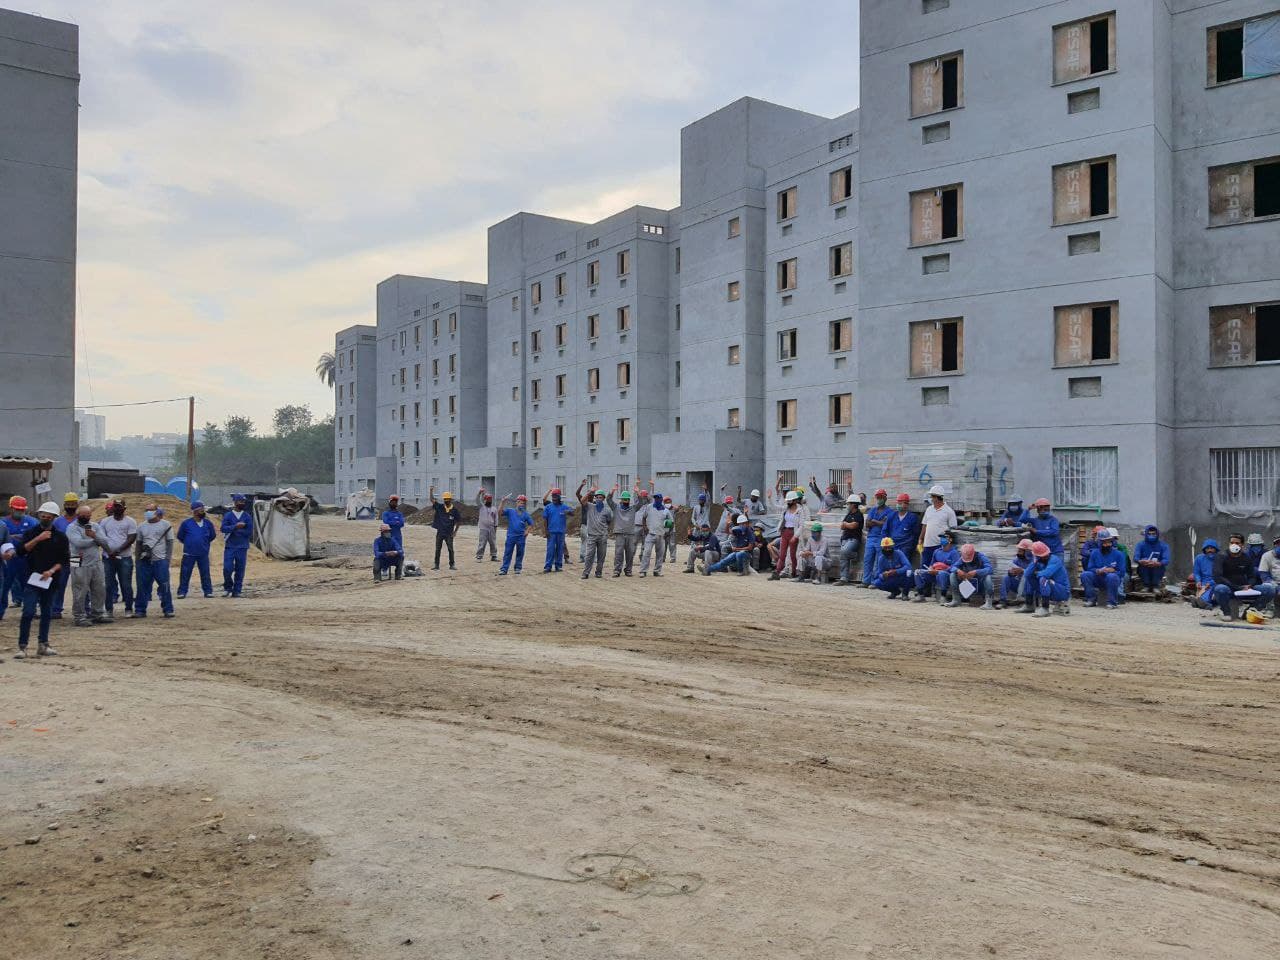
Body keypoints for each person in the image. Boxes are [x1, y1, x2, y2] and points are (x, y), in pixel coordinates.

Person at [15, 502, 69, 658]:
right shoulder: (31, 533)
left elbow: (64, 560)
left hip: (50, 580)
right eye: (42, 515)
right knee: (28, 612)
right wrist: (38, 538)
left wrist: (51, 571)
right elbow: (20, 550)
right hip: (32, 578)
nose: (45, 518)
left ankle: (43, 644)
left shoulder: (60, 537)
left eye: (48, 516)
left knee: (46, 612)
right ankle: (22, 646)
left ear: (54, 518)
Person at [66, 504, 111, 626]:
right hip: (76, 560)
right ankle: (79, 616)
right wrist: (95, 540)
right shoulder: (71, 527)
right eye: (83, 515)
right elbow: (78, 543)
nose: (86, 517)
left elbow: (106, 542)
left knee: (99, 588)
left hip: (95, 561)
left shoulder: (95, 526)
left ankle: (98, 613)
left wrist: (94, 536)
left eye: (88, 515)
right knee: (80, 590)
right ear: (77, 515)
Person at [99, 497, 139, 617]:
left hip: (125, 557)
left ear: (124, 508)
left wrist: (118, 550)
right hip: (108, 558)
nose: (117, 508)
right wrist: (108, 551)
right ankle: (109, 610)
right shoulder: (105, 521)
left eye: (119, 506)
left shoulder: (130, 521)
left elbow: (131, 538)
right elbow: (101, 538)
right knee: (108, 584)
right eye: (115, 506)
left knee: (125, 584)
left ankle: (128, 608)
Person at [134, 505, 175, 619]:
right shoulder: (141, 526)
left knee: (164, 585)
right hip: (144, 561)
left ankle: (168, 609)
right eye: (146, 510)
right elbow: (138, 544)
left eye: (150, 510)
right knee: (142, 586)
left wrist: (167, 559)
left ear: (157, 512)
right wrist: (137, 560)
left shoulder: (166, 525)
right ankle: (140, 610)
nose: (147, 512)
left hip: (160, 561)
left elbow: (170, 543)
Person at [1211, 534, 1260, 621]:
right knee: (1220, 588)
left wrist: (1249, 585)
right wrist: (1236, 587)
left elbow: (1252, 576)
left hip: (1244, 589)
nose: (1234, 545)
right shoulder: (1221, 556)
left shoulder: (1246, 558)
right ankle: (1226, 613)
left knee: (1268, 589)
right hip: (1228, 587)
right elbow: (1217, 577)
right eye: (1232, 542)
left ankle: (1249, 612)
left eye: (1237, 543)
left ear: (1242, 545)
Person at [2, 495, 38, 613]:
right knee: (5, 585)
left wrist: (15, 537)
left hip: (26, 558)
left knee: (28, 584)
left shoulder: (32, 522)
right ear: (11, 509)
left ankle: (30, 609)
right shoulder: (3, 523)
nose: (19, 512)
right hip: (8, 560)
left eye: (22, 510)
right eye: (17, 509)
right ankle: (2, 609)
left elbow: (37, 537)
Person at [176, 501, 218, 599]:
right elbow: (180, 536)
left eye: (203, 509)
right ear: (195, 511)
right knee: (185, 573)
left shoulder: (208, 523)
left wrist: (203, 543)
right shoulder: (186, 523)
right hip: (189, 553)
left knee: (205, 573)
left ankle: (208, 591)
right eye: (201, 510)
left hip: (203, 553)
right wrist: (189, 543)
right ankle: (182, 591)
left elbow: (212, 536)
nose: (203, 511)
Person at [50, 492, 79, 619]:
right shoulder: (57, 522)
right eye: (68, 504)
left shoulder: (81, 520)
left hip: (76, 556)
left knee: (78, 583)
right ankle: (56, 610)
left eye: (73, 504)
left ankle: (82, 608)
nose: (71, 506)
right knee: (59, 583)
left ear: (77, 505)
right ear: (64, 505)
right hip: (61, 558)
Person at [917, 485, 957, 576]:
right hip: (927, 545)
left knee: (937, 568)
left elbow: (953, 530)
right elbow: (925, 525)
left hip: (940, 546)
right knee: (925, 567)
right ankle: (925, 588)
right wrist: (920, 539)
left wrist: (948, 545)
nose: (931, 499)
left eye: (932, 496)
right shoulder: (929, 509)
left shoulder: (948, 511)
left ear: (938, 497)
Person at [1081, 530, 1126, 609]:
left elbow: (1122, 572)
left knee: (1111, 576)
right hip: (1098, 577)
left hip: (1112, 579)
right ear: (1099, 543)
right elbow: (1090, 568)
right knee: (1085, 574)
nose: (1106, 545)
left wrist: (1113, 570)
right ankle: (1091, 599)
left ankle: (1112, 602)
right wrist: (1098, 571)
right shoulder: (1094, 553)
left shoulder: (1119, 554)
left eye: (1109, 542)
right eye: (1104, 542)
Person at [220, 493, 253, 598]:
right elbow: (223, 528)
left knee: (240, 569)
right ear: (235, 502)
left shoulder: (247, 516)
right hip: (230, 546)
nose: (242, 503)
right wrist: (236, 526)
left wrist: (236, 531)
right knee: (227, 568)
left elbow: (249, 531)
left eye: (243, 502)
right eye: (240, 501)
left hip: (242, 546)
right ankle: (227, 587)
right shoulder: (228, 515)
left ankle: (237, 590)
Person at [913, 530, 959, 602]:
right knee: (917, 572)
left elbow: (954, 567)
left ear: (950, 540)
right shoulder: (937, 551)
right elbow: (931, 564)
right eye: (941, 537)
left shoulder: (954, 553)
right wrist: (931, 569)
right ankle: (920, 594)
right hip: (934, 573)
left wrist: (940, 571)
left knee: (942, 574)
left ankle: (943, 596)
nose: (942, 539)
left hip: (946, 575)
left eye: (944, 537)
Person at [1028, 541, 1071, 618]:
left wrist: (1037, 573)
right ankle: (1028, 604)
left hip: (1062, 591)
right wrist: (1034, 562)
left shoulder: (1055, 560)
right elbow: (1027, 574)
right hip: (1052, 589)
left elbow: (1046, 574)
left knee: (1043, 579)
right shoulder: (1039, 561)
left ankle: (1045, 608)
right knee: (1029, 577)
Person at [537, 487, 573, 574]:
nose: (554, 498)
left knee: (560, 550)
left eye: (555, 496)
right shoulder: (548, 507)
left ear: (559, 497)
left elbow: (573, 512)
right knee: (550, 550)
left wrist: (568, 512)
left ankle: (558, 566)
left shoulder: (564, 507)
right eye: (553, 496)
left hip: (561, 532)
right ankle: (548, 567)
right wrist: (546, 531)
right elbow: (545, 520)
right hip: (551, 532)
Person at [947, 543, 995, 610]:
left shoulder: (981, 557)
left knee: (988, 577)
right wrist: (957, 570)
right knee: (952, 575)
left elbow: (990, 569)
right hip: (967, 582)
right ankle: (956, 600)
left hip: (980, 584)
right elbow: (952, 567)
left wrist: (976, 572)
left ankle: (989, 603)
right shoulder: (961, 558)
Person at [578, 487, 613, 580]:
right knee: (589, 555)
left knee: (601, 556)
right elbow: (582, 500)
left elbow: (609, 521)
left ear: (603, 499)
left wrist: (604, 531)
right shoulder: (590, 506)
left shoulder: (607, 510)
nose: (598, 499)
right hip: (592, 536)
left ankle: (598, 572)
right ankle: (586, 573)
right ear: (594, 498)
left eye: (600, 497)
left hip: (602, 536)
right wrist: (590, 492)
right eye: (597, 497)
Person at [860, 490, 892, 588]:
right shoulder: (873, 510)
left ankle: (875, 582)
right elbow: (867, 524)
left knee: (878, 561)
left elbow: (885, 524)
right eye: (878, 497)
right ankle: (866, 581)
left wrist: (874, 521)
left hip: (881, 538)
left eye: (881, 497)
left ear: (885, 498)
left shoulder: (889, 511)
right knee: (867, 559)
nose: (879, 499)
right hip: (871, 537)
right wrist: (878, 522)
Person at [769, 491, 804, 580]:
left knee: (793, 555)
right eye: (788, 501)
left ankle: (794, 572)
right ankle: (777, 572)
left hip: (793, 533)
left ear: (795, 501)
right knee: (782, 554)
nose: (788, 502)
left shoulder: (800, 511)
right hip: (785, 532)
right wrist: (769, 499)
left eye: (790, 501)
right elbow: (775, 507)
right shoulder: (786, 509)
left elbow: (801, 525)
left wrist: (795, 536)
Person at [497, 494, 534, 575]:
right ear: (517, 502)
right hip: (511, 536)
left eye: (524, 503)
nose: (522, 504)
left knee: (520, 552)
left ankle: (518, 567)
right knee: (508, 552)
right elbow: (500, 513)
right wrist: (502, 502)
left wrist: (527, 531)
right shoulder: (510, 511)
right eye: (521, 502)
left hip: (521, 537)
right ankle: (504, 569)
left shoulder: (526, 514)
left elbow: (531, 524)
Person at [427, 487, 462, 571]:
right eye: (445, 499)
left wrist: (455, 532)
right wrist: (431, 491)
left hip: (449, 533)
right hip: (440, 532)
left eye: (447, 499)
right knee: (438, 549)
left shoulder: (454, 511)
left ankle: (452, 564)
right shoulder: (440, 507)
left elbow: (459, 521)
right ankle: (436, 565)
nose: (446, 501)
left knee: (450, 549)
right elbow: (432, 500)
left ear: (450, 500)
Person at [607, 486, 639, 577]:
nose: (625, 501)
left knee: (630, 553)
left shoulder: (633, 508)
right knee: (618, 553)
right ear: (621, 500)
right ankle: (617, 570)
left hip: (630, 534)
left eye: (627, 499)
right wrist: (612, 491)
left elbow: (640, 503)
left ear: (629, 500)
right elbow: (608, 500)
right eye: (624, 499)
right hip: (619, 534)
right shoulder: (616, 508)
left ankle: (628, 570)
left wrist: (638, 493)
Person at [883, 493, 921, 569]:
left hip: (905, 548)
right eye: (898, 503)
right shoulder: (892, 515)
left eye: (901, 503)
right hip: (892, 546)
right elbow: (885, 531)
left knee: (903, 568)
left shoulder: (913, 517)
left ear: (906, 504)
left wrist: (911, 548)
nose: (898, 505)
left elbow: (916, 534)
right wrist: (886, 545)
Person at [637, 492, 669, 577]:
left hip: (661, 535)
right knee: (646, 552)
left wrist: (667, 532)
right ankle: (643, 571)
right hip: (650, 534)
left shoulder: (666, 510)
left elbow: (671, 522)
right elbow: (644, 517)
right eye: (655, 498)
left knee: (660, 554)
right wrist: (644, 527)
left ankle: (657, 571)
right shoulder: (649, 507)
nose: (657, 500)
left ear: (661, 500)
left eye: (658, 498)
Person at [999, 539, 1036, 610]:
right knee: (1006, 578)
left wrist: (1022, 571)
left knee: (1026, 576)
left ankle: (1023, 601)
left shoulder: (1035, 560)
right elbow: (1011, 571)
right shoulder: (1017, 560)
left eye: (1021, 550)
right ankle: (1002, 601)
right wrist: (1011, 573)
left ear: (1027, 551)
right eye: (1018, 550)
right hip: (1019, 586)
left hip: (1031, 587)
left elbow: (1035, 574)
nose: (1018, 552)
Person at [836, 494, 864, 585]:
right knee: (843, 556)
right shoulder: (848, 514)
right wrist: (847, 524)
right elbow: (842, 526)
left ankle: (855, 555)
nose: (847, 505)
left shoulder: (859, 515)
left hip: (854, 539)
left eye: (849, 504)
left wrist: (846, 524)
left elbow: (854, 526)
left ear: (853, 504)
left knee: (844, 552)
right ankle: (844, 577)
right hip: (845, 538)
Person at [1134, 525, 1170, 591]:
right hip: (1144, 567)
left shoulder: (1164, 545)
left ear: (1157, 534)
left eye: (1153, 534)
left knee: (1158, 567)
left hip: (1158, 568)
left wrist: (1158, 563)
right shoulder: (1140, 545)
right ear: (1146, 534)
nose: (1151, 535)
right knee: (1143, 567)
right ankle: (1146, 586)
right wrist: (1141, 561)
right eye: (1149, 534)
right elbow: (1136, 557)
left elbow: (1166, 559)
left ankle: (1156, 586)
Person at [1256, 535, 1280, 617]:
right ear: (1275, 545)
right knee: (1269, 587)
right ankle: (1270, 609)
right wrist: (1276, 585)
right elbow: (1264, 575)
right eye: (1278, 543)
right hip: (1272, 582)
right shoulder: (1267, 556)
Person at [1191, 539, 1219, 609]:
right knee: (1202, 593)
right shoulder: (1199, 558)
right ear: (1204, 549)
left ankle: (1205, 603)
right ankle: (1200, 602)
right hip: (1203, 583)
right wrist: (1198, 581)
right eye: (1207, 548)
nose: (1210, 550)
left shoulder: (1220, 559)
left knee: (1211, 592)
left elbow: (1221, 575)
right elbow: (1196, 572)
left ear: (1215, 549)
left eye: (1212, 548)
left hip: (1216, 582)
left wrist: (1211, 583)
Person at [474, 489, 499, 562]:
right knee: (482, 542)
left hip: (491, 528)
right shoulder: (481, 507)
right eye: (487, 500)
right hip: (483, 528)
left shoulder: (494, 509)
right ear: (484, 500)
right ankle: (479, 556)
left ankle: (494, 556)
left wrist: (495, 528)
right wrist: (479, 493)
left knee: (493, 542)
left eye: (490, 500)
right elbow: (477, 500)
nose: (488, 501)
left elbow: (496, 519)